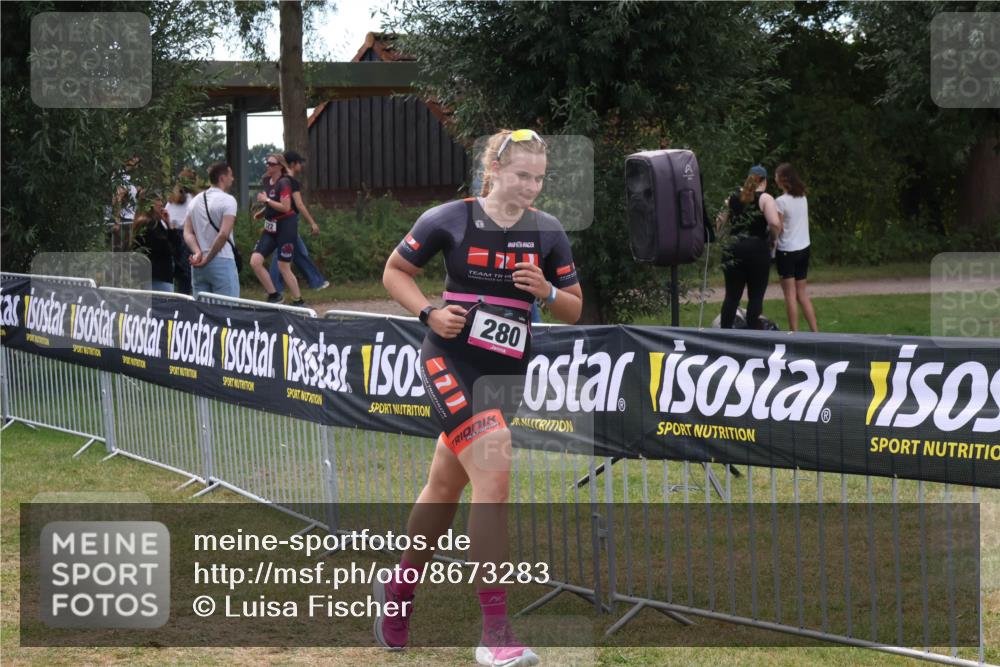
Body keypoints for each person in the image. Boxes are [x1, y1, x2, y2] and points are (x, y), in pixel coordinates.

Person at [377, 129, 582, 667]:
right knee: (494, 475)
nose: (531, 187)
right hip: (449, 362)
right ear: (493, 170)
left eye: (539, 178)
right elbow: (395, 271)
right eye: (521, 176)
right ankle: (496, 633)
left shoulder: (548, 231)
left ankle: (398, 591)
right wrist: (428, 312)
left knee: (444, 488)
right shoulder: (449, 218)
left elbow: (575, 309)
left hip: (504, 377)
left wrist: (549, 292)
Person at [716, 165, 782, 329]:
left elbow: (719, 222)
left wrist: (725, 239)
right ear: (764, 181)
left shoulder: (731, 197)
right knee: (756, 295)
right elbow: (774, 222)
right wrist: (773, 238)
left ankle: (724, 333)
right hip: (757, 250)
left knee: (731, 296)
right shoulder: (765, 198)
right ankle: (754, 330)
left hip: (734, 248)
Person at [267, 150, 330, 294]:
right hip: (288, 221)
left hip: (278, 220)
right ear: (293, 164)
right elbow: (299, 204)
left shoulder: (278, 180)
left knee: (299, 252)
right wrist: (312, 223)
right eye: (299, 163)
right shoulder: (291, 181)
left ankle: (316, 281)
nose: (301, 166)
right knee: (282, 254)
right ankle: (275, 287)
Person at [249, 153, 305, 306]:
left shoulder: (285, 182)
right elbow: (273, 202)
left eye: (271, 164)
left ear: (280, 166)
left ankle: (298, 300)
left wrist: (266, 200)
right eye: (266, 162)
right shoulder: (266, 179)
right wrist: (263, 212)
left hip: (286, 226)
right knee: (255, 261)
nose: (268, 165)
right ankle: (274, 295)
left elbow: (286, 207)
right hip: (270, 227)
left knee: (283, 266)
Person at [183, 161, 240, 298]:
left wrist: (198, 252)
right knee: (227, 311)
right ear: (222, 178)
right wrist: (208, 258)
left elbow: (187, 232)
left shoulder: (195, 201)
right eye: (230, 175)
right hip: (222, 260)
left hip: (198, 263)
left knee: (202, 313)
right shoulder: (228, 200)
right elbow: (223, 234)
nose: (232, 178)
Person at [774, 163, 818, 332]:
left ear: (783, 179)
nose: (775, 178)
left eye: (776, 175)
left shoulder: (780, 202)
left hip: (787, 251)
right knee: (802, 294)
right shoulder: (802, 197)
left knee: (790, 295)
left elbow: (778, 227)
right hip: (804, 248)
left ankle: (794, 334)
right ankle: (815, 332)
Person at [164, 168, 198, 294]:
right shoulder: (193, 200)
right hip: (187, 239)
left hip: (173, 237)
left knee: (178, 277)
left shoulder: (171, 201)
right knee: (188, 277)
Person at [132, 197, 174, 292]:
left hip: (150, 275)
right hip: (158, 275)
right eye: (159, 205)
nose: (162, 207)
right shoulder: (149, 225)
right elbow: (168, 248)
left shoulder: (154, 223)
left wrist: (168, 224)